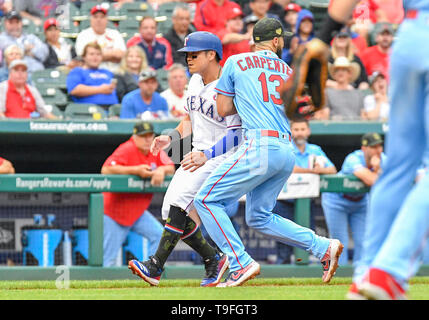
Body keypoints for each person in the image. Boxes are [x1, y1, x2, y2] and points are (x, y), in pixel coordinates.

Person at [192, 18, 343, 287]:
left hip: (259, 144)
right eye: (281, 38)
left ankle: (239, 263)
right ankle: (321, 246)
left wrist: (246, 98)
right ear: (275, 41)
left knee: (205, 200)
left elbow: (224, 109)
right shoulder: (287, 69)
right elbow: (300, 110)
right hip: (286, 151)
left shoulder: (236, 62)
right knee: (258, 216)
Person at [128, 31, 242, 288]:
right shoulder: (194, 81)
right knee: (170, 209)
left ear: (212, 55)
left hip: (221, 156)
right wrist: (171, 138)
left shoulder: (229, 84)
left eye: (194, 54)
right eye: (187, 54)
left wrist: (207, 155)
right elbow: (190, 119)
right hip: (198, 154)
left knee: (178, 204)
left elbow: (237, 135)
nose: (188, 59)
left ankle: (155, 266)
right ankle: (214, 260)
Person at [346, 1, 429, 300]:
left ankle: (365, 274)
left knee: (398, 167)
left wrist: (326, 30)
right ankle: (389, 272)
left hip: (408, 36)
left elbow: (341, 9)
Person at [101, 121, 175, 267]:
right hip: (115, 212)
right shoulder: (127, 149)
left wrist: (161, 170)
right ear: (134, 137)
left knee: (160, 236)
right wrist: (135, 170)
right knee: (108, 259)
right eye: (143, 136)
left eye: (150, 135)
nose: (147, 139)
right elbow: (106, 169)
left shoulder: (156, 150)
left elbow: (170, 167)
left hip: (137, 211)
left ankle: (150, 269)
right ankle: (102, 287)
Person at [273, 117, 337, 264]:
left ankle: (304, 270)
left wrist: (320, 170)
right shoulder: (285, 146)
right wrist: (310, 171)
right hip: (284, 200)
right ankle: (280, 273)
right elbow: (287, 168)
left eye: (302, 129)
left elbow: (332, 169)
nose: (300, 133)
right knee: (283, 240)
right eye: (296, 129)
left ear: (308, 131)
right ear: (291, 132)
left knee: (307, 237)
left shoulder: (315, 150)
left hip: (306, 201)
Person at [321, 132, 385, 266]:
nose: (377, 150)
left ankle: (360, 276)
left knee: (363, 241)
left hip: (360, 202)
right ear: (364, 148)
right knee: (340, 242)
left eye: (379, 146)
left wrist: (378, 168)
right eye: (373, 147)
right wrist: (378, 169)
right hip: (336, 200)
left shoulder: (382, 158)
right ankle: (339, 278)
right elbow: (371, 180)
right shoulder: (353, 158)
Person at [75, 4, 126, 73]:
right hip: (92, 73)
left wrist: (96, 55)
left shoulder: (115, 34)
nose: (99, 20)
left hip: (115, 74)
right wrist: (113, 56)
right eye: (95, 17)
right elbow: (84, 58)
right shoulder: (83, 35)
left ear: (107, 19)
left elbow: (121, 54)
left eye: (102, 17)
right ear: (91, 19)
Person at [67, 42, 119, 107]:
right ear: (84, 57)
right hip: (89, 111)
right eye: (91, 54)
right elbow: (74, 90)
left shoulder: (107, 72)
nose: (95, 57)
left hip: (113, 110)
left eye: (98, 54)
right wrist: (101, 89)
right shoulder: (77, 71)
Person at [313, 56, 364, 120]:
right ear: (334, 74)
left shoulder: (358, 94)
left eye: (344, 70)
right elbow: (325, 114)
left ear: (349, 73)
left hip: (355, 127)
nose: (340, 72)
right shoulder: (327, 93)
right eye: (337, 70)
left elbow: (362, 115)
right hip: (335, 127)